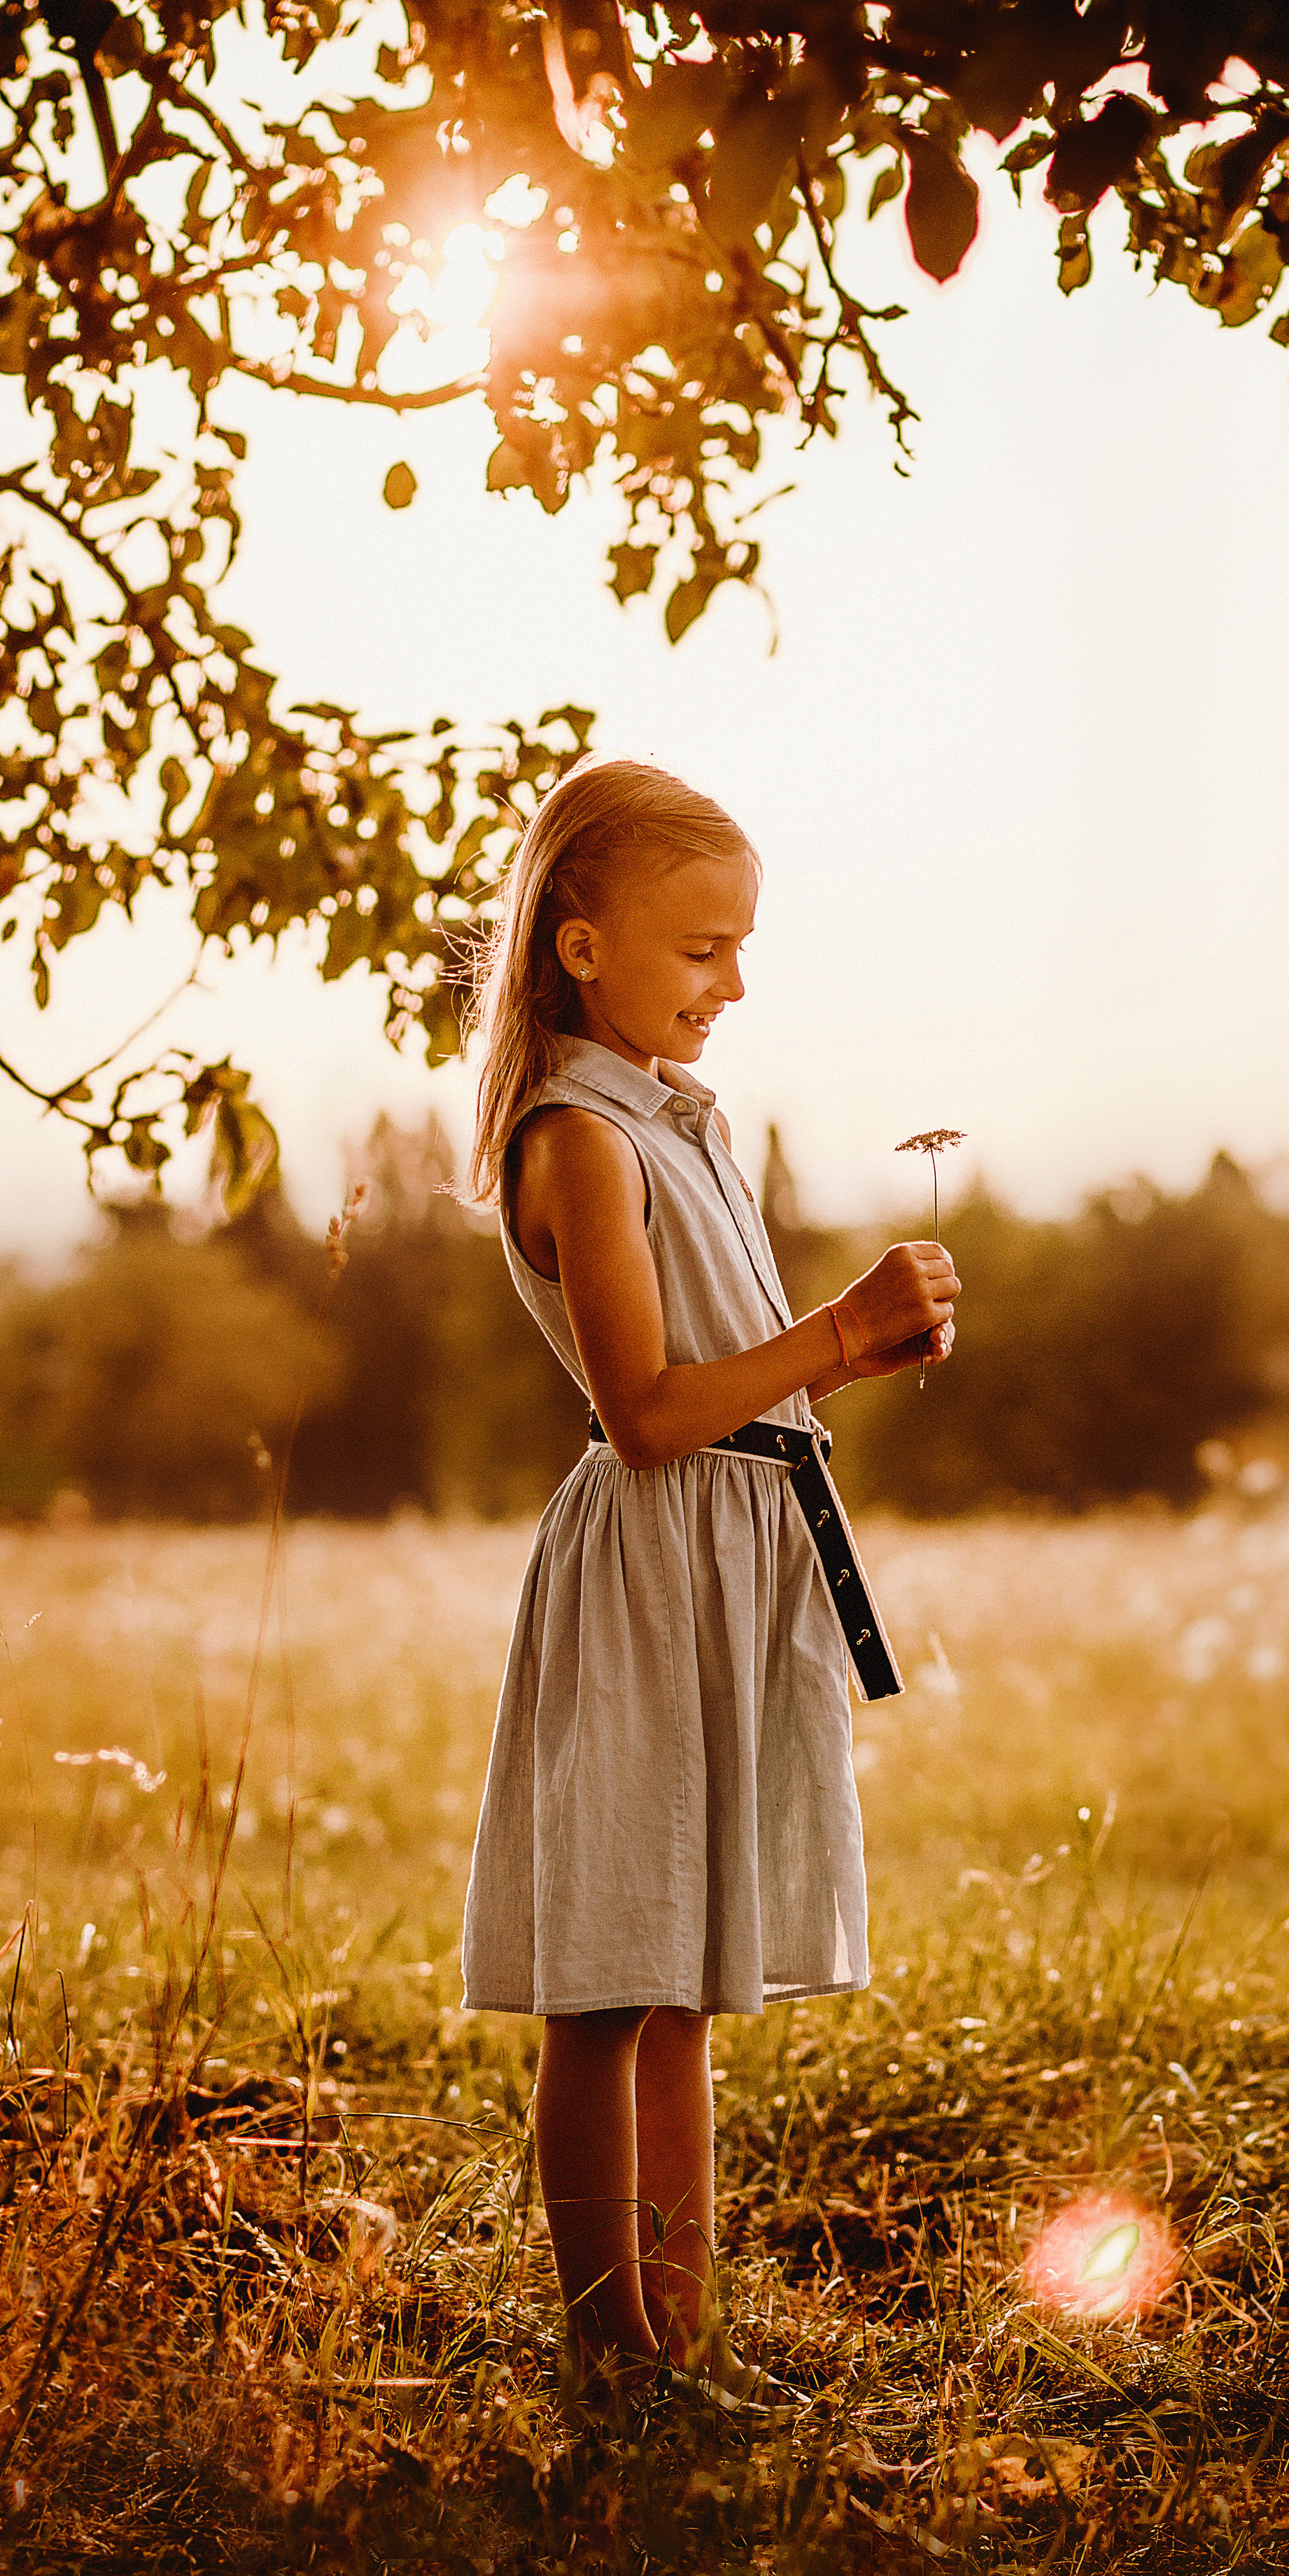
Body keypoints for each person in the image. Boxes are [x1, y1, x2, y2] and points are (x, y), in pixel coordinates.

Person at [459, 758, 959, 2403]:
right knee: (608, 1983)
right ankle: (612, 2363)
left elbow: (734, 1389)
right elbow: (647, 1410)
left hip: (735, 1561)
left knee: (684, 1988)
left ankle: (687, 2345)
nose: (732, 984)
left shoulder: (686, 1126)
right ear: (582, 946)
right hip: (648, 1574)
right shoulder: (578, 1141)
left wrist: (853, 1360)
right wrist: (837, 1327)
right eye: (699, 951)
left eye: (742, 948)